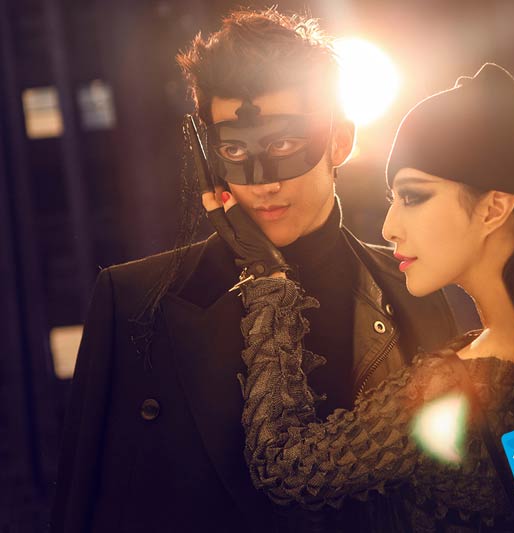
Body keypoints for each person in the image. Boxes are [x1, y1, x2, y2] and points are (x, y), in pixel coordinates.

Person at [50, 9, 458, 533]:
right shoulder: (134, 302)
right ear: (209, 156)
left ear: (339, 141)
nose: (263, 183)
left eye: (284, 144)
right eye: (235, 149)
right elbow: (83, 507)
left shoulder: (410, 286)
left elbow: (462, 475)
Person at [206, 63, 514, 532]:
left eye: (413, 197)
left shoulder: (464, 384)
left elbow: (288, 467)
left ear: (494, 208)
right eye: (392, 200)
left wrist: (268, 278)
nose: (389, 228)